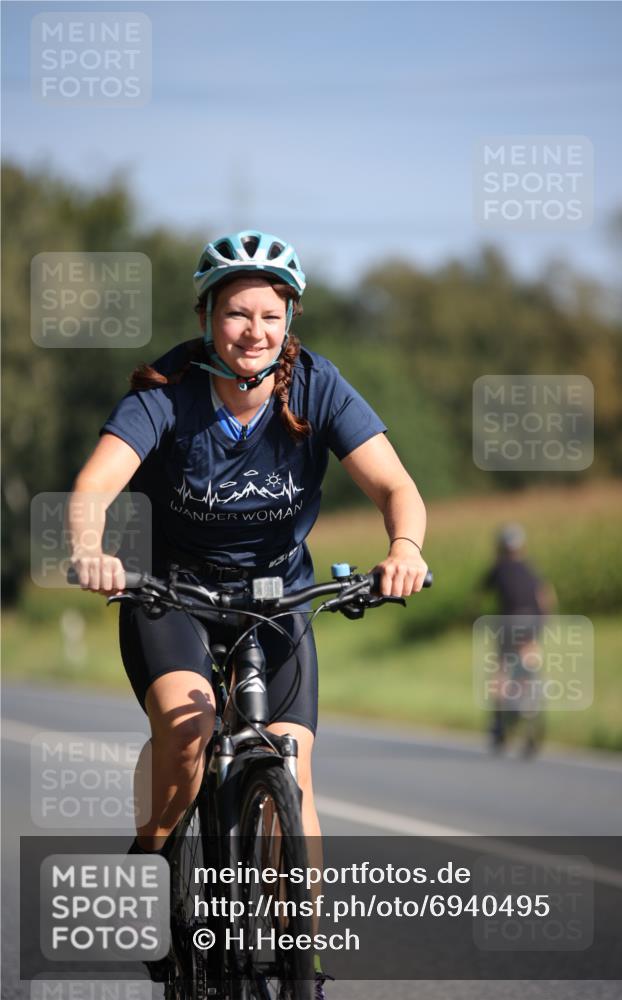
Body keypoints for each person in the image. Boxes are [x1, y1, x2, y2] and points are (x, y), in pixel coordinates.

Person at [68, 230, 428, 996]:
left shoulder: (317, 387)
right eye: (236, 314)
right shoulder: (164, 391)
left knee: (293, 764)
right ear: (206, 317)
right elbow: (95, 485)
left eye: (269, 314)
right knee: (189, 733)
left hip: (279, 597)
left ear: (288, 318)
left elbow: (397, 489)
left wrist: (404, 548)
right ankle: (157, 858)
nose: (253, 331)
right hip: (175, 594)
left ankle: (302, 957)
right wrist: (90, 547)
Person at [480, 524, 556, 756]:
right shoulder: (530, 568)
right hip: (533, 623)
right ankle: (531, 701)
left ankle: (498, 722)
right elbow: (546, 596)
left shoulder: (498, 568)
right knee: (529, 663)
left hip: (510, 622)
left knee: (502, 668)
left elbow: (479, 595)